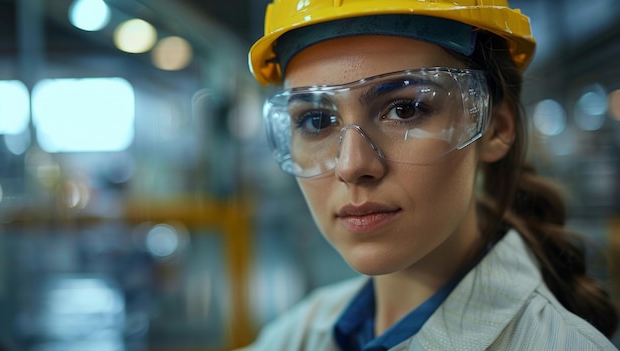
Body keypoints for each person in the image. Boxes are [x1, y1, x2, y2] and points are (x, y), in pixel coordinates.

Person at [243, 1, 619, 350]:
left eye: (404, 110)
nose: (352, 166)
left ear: (496, 127)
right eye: (316, 120)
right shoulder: (295, 335)